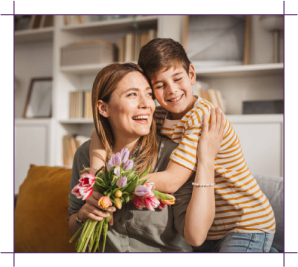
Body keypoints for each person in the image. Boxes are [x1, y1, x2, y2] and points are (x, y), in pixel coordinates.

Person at [88, 38, 276, 252]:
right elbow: (101, 132)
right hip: (209, 227)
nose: (172, 91)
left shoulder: (202, 117)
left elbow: (172, 180)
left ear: (192, 74)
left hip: (244, 223)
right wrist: (96, 172)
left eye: (178, 79)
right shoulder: (159, 116)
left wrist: (115, 184)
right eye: (160, 85)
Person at [68, 62, 225, 252]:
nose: (146, 104)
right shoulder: (86, 154)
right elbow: (73, 222)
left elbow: (196, 236)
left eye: (149, 94)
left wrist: (206, 160)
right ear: (104, 108)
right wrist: (82, 216)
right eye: (132, 94)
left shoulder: (173, 157)